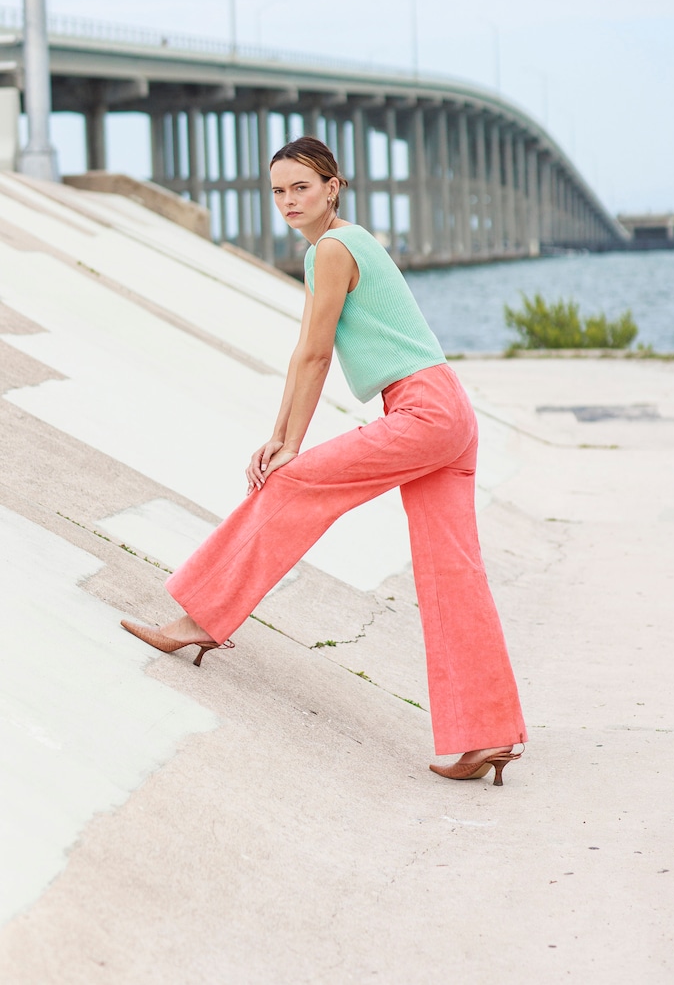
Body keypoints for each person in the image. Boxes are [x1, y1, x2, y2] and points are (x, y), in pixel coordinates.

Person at [122, 136, 526, 785]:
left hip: (423, 412)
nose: (288, 201)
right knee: (453, 573)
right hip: (445, 408)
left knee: (292, 484)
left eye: (301, 187)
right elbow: (305, 352)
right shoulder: (349, 242)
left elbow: (312, 354)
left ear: (331, 186)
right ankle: (488, 735)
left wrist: (288, 445)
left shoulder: (330, 250)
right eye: (278, 190)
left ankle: (200, 618)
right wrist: (279, 433)